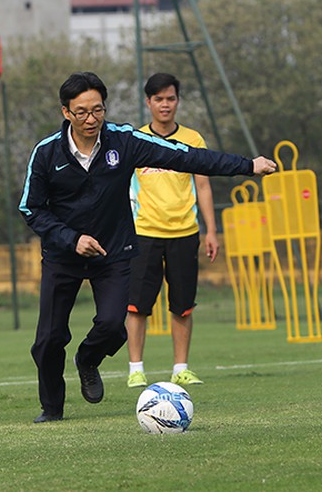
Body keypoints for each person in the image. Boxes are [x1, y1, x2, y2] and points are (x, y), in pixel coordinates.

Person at [19, 71, 277, 423]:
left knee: (113, 325)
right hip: (63, 255)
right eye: (82, 112)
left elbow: (186, 157)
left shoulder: (123, 141)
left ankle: (88, 359)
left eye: (98, 110)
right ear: (66, 112)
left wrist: (246, 166)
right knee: (49, 338)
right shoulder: (47, 152)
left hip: (113, 253)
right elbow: (31, 208)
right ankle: (52, 409)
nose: (91, 119)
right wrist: (71, 239)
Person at [125, 73, 217, 388]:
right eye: (159, 99)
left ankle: (181, 368)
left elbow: (203, 187)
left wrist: (211, 231)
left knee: (182, 305)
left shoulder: (193, 140)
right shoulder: (135, 140)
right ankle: (136, 369)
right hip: (144, 233)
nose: (165, 105)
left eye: (171, 98)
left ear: (177, 101)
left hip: (185, 232)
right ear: (148, 102)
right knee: (137, 306)